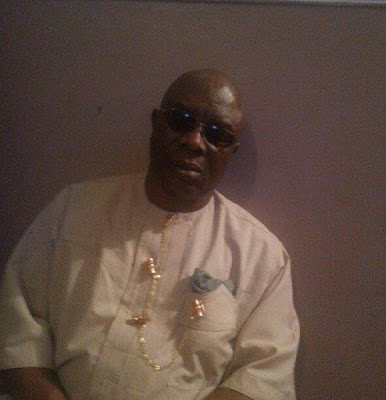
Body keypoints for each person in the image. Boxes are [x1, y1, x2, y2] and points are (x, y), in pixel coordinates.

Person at [0, 69, 299, 400]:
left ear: (231, 151)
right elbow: (15, 331)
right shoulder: (73, 210)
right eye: (182, 120)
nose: (193, 141)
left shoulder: (262, 257)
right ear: (157, 124)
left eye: (217, 134)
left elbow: (262, 378)